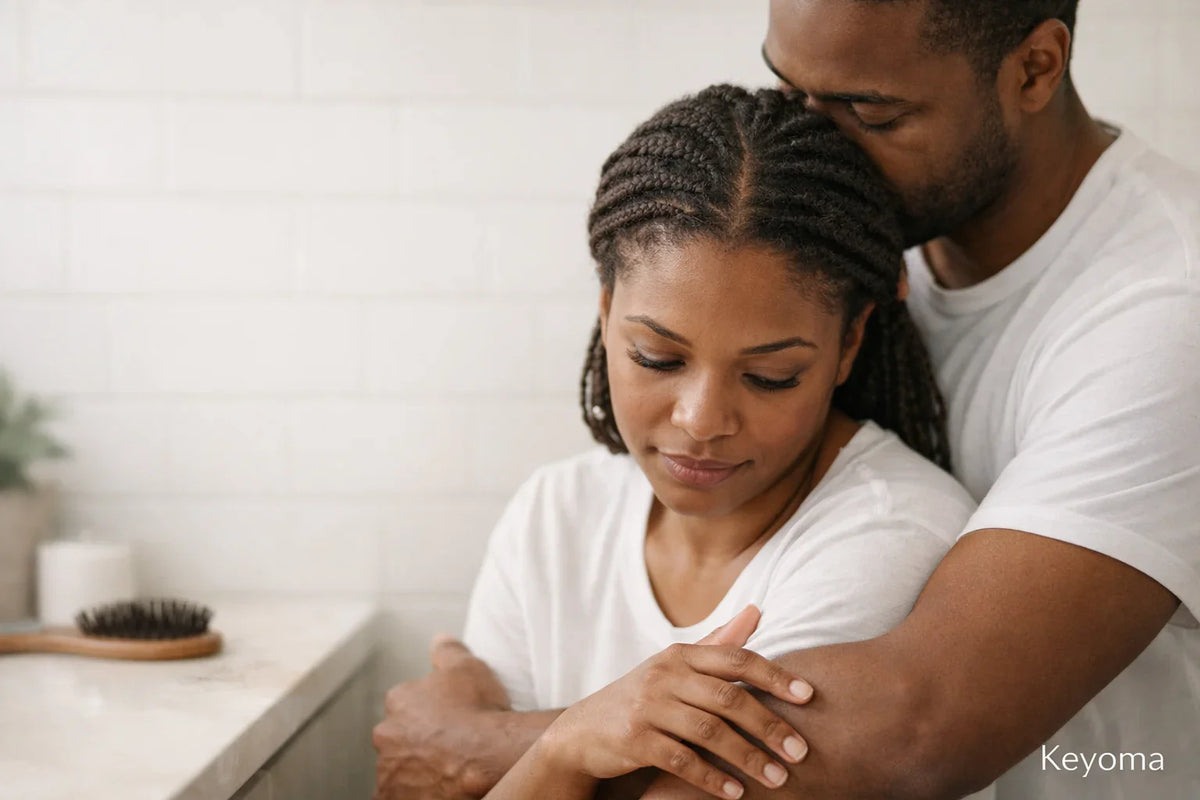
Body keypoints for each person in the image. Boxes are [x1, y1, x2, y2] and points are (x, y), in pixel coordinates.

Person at [373, 2, 1200, 799]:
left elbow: (921, 724)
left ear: (1036, 66)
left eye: (867, 109)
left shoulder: (1166, 307)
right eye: (790, 88)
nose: (811, 136)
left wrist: (483, 745)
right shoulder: (879, 256)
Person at [463, 84, 977, 800]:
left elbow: (462, 771)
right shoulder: (554, 513)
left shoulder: (890, 538)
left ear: (849, 343)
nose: (703, 421)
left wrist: (555, 755)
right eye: (657, 358)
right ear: (608, 313)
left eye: (770, 376)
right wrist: (565, 748)